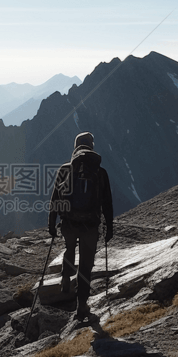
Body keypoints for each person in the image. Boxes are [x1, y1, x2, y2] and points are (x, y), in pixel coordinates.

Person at [48, 131, 114, 320]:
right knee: (85, 266)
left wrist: (52, 224)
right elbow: (107, 203)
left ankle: (65, 277)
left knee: (69, 247)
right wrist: (109, 228)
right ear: (91, 146)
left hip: (68, 223)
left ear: (76, 146)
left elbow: (55, 200)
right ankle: (82, 305)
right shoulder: (100, 173)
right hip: (90, 227)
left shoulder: (65, 169)